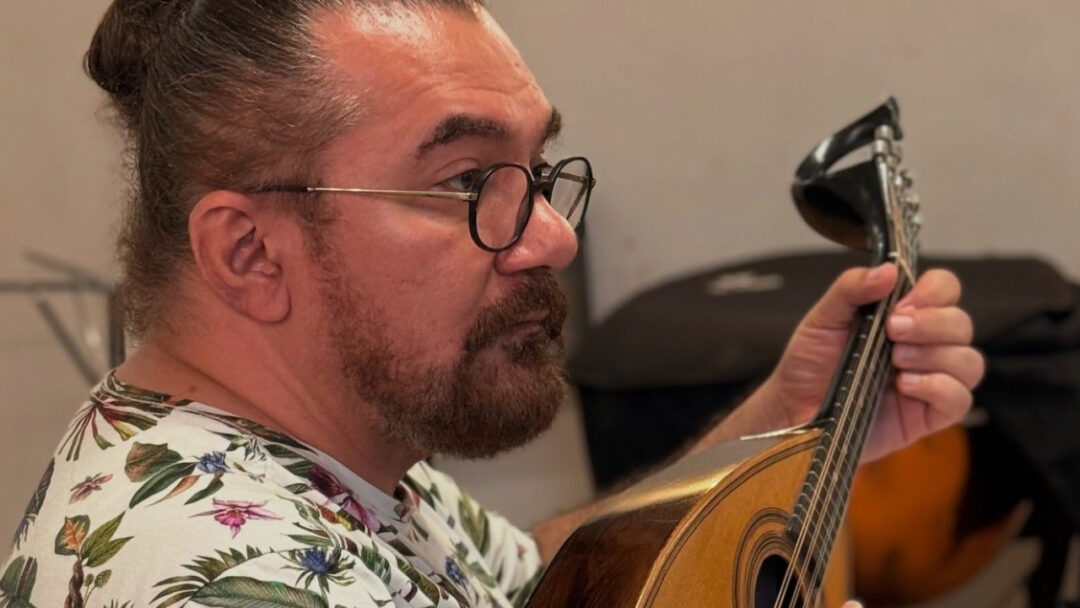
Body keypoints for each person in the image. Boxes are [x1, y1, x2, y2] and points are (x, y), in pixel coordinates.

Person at [0, 1, 984, 606]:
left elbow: (532, 583)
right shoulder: (225, 577)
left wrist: (792, 421)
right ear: (251, 250)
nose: (553, 234)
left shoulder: (320, 444)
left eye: (540, 169)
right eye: (470, 182)